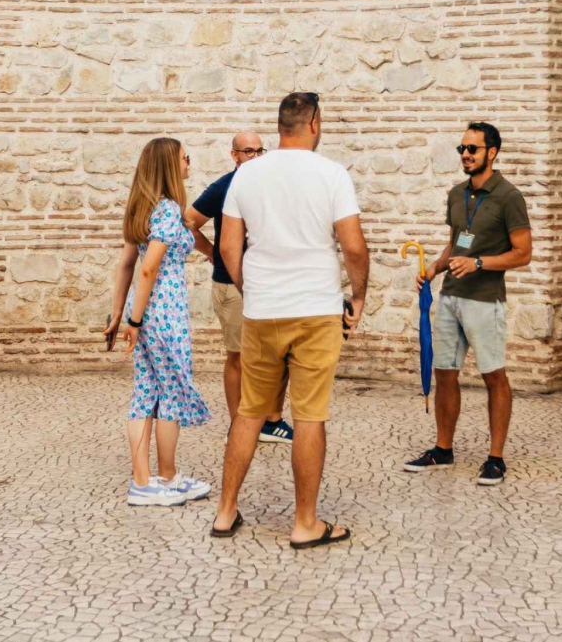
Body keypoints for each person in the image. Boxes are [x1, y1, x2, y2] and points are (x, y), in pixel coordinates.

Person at [209, 92, 367, 548]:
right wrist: (358, 296)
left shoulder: (247, 174)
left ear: (280, 126)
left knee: (249, 412)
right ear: (313, 123)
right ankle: (305, 523)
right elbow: (353, 247)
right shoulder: (331, 174)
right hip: (316, 310)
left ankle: (225, 512)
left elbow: (227, 247)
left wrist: (249, 288)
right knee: (310, 415)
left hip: (262, 311)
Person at [401, 122, 532, 487]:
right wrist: (434, 269)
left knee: (494, 376)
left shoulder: (509, 197)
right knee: (444, 373)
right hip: (450, 297)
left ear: (492, 152)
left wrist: (479, 263)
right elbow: (456, 243)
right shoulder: (457, 194)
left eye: (473, 149)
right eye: (462, 149)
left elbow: (523, 254)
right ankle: (443, 450)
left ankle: (495, 459)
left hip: (484, 300)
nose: (466, 155)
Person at [102, 138, 212, 508]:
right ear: (169, 165)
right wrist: (132, 320)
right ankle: (165, 477)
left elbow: (125, 266)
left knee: (147, 391)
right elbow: (147, 268)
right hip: (163, 312)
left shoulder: (143, 208)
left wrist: (121, 315)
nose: (189, 164)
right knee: (172, 392)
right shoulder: (165, 211)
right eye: (185, 158)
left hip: (145, 310)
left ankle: (143, 482)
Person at [185, 131, 294, 444]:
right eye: (248, 151)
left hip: (268, 285)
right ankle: (239, 428)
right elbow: (188, 221)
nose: (255, 157)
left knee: (279, 354)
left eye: (260, 151)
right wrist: (211, 251)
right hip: (232, 286)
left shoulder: (271, 185)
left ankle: (271, 422)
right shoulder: (223, 186)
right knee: (239, 358)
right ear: (234, 155)